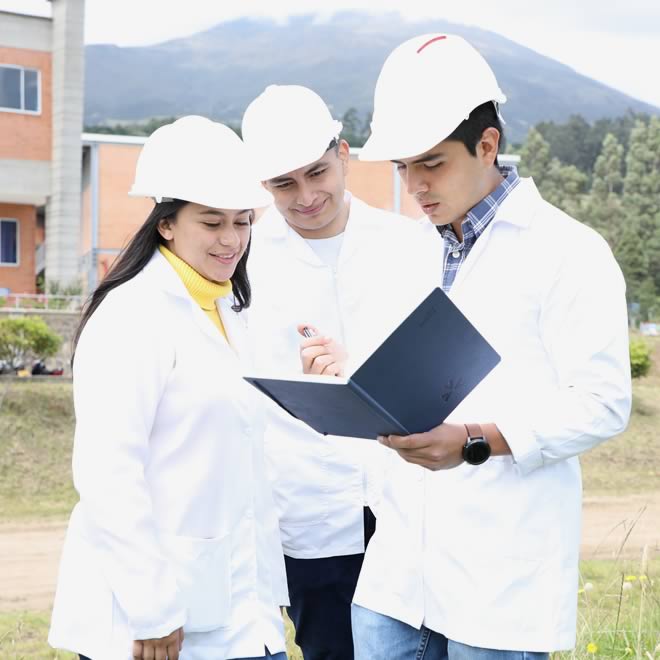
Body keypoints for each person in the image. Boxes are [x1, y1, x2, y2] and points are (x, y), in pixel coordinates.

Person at [347, 34, 633, 659]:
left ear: (488, 144)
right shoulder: (406, 250)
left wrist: (476, 439)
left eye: (432, 164)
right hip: (394, 576)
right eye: (402, 168)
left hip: (499, 581)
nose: (415, 186)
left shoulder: (569, 252)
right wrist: (342, 373)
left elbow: (604, 402)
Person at [48, 116, 289, 660]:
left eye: (242, 221)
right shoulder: (132, 316)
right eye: (212, 222)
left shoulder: (229, 310)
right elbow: (108, 473)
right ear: (166, 224)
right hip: (152, 621)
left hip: (235, 612)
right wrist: (152, 607)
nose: (231, 240)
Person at [241, 85, 442, 660]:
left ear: (345, 155)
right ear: (263, 184)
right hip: (308, 513)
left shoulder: (410, 245)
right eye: (284, 183)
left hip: (405, 502)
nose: (306, 196)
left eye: (317, 172)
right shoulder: (244, 260)